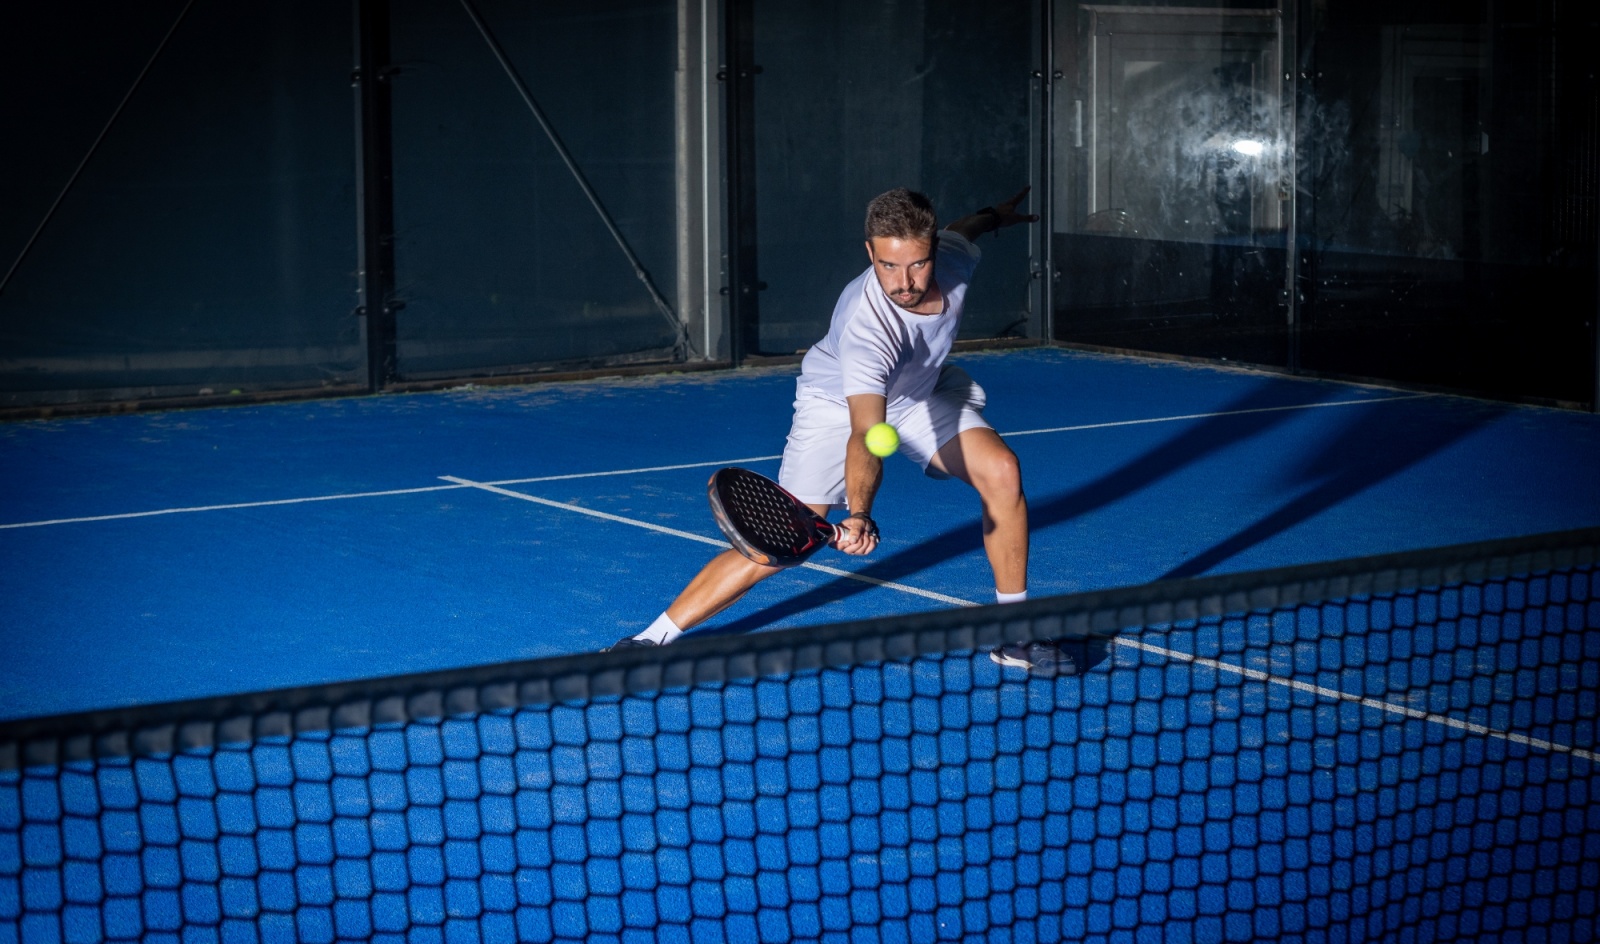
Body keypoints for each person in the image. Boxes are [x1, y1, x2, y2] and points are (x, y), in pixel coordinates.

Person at [610, 186, 1037, 649]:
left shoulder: (952, 259)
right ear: (869, 251)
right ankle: (651, 639)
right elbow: (868, 434)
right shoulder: (867, 328)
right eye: (888, 265)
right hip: (838, 408)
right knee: (780, 545)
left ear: (933, 249)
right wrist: (859, 514)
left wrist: (993, 215)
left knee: (1001, 471)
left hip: (916, 396)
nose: (904, 282)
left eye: (917, 264)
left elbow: (961, 230)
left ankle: (1015, 635)